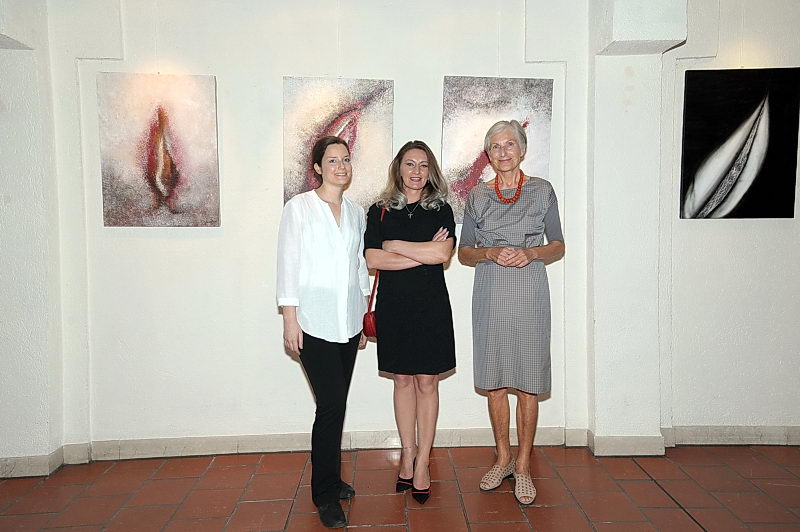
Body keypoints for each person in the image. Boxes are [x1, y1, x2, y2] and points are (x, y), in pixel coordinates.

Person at [457, 120, 564, 506]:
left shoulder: (542, 190)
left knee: (528, 383)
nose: (503, 152)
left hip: (530, 290)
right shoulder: (477, 196)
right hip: (490, 291)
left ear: (522, 149)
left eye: (510, 144)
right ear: (488, 154)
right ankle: (502, 458)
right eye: (495, 146)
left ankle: (523, 465)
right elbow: (464, 251)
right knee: (496, 382)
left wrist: (531, 252)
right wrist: (488, 252)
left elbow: (558, 244)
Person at [276, 136, 370, 528]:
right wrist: (289, 318)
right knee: (330, 406)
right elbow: (288, 262)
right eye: (332, 160)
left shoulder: (356, 212)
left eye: (345, 159)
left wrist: (363, 315)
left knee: (336, 405)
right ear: (317, 168)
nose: (341, 166)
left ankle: (331, 478)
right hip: (312, 322)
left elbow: (359, 266)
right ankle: (325, 495)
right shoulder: (299, 208)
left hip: (348, 321)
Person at [364, 140, 456, 505]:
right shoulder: (380, 210)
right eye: (409, 164)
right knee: (402, 379)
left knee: (427, 382)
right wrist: (422, 253)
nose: (416, 171)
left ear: (430, 171)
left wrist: (395, 245)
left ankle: (423, 463)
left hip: (431, 306)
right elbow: (373, 259)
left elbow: (443, 253)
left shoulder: (441, 209)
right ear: (398, 168)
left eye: (423, 165)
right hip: (395, 307)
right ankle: (407, 453)